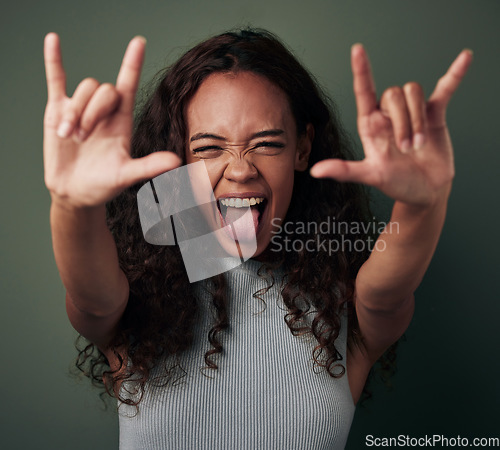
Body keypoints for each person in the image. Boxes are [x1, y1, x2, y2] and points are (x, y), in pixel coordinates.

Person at [43, 29, 472, 449]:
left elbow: (387, 295)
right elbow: (91, 298)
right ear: (180, 158)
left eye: (266, 143)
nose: (241, 168)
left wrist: (423, 205)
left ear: (302, 149)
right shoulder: (137, 297)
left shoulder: (343, 307)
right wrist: (71, 204)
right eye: (210, 148)